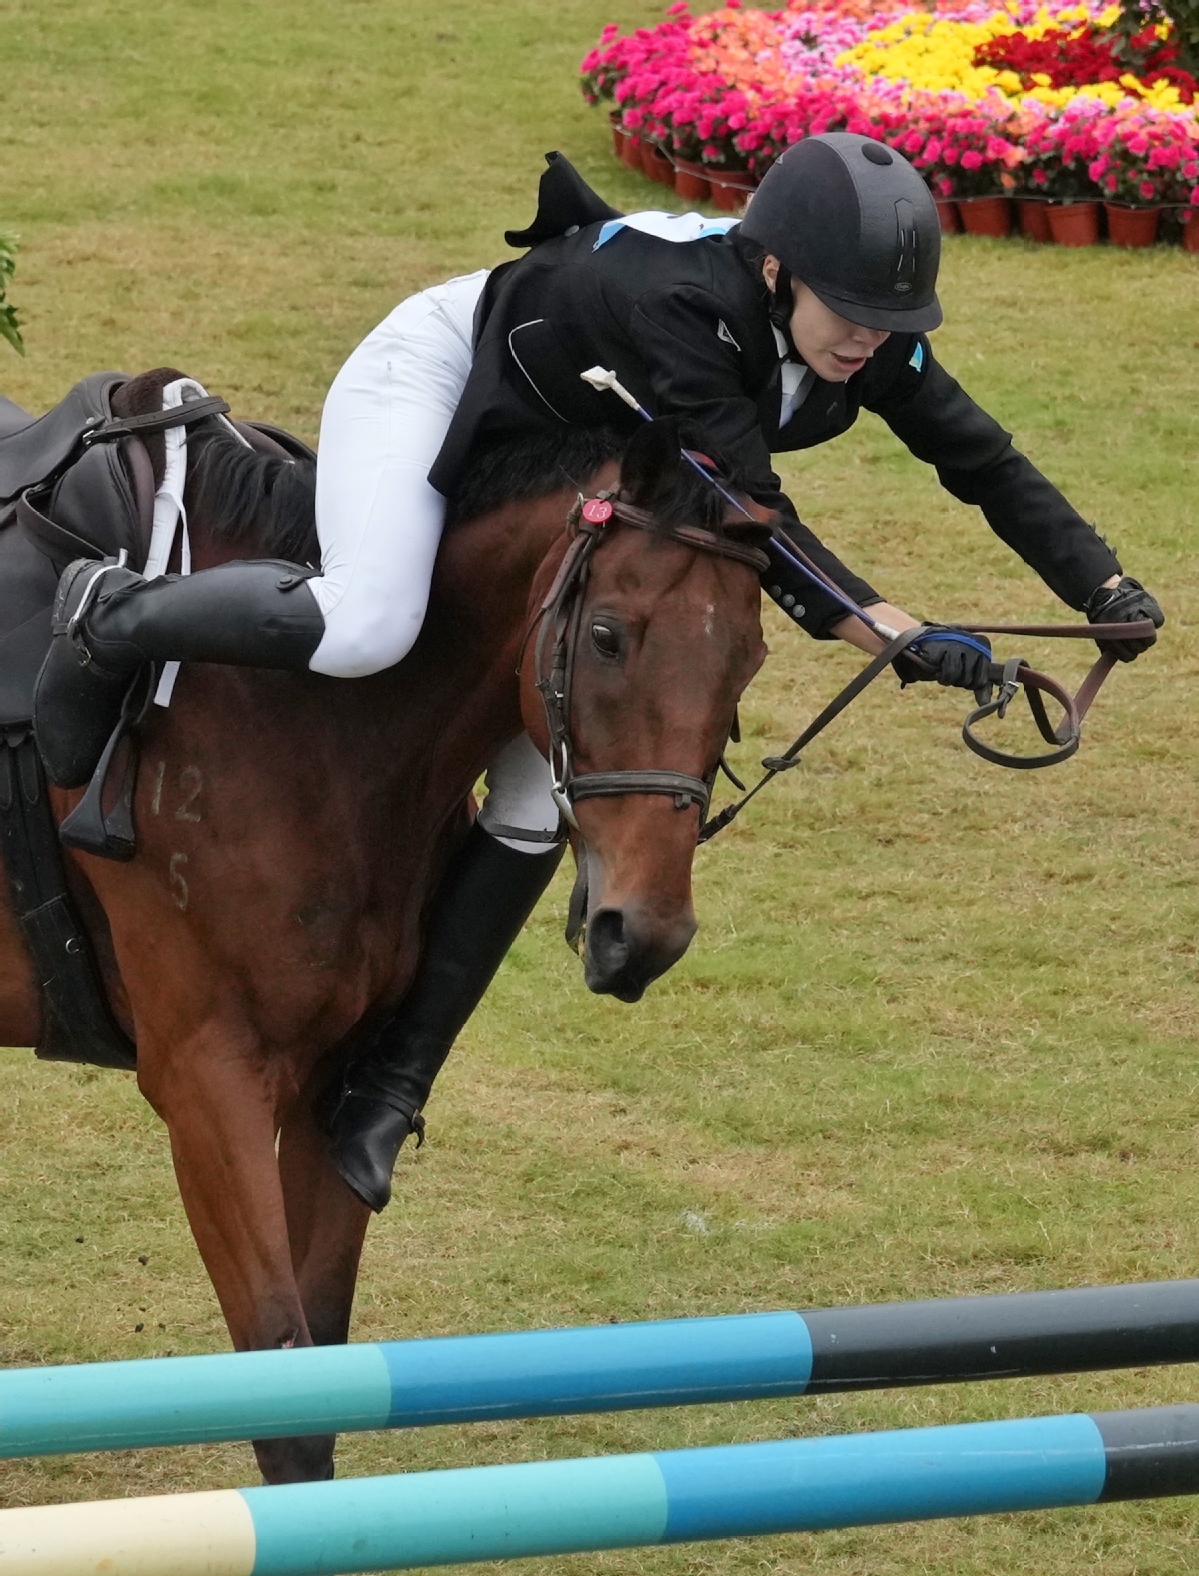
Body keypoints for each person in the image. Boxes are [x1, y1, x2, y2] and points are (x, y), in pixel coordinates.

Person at [33, 133, 1163, 1212]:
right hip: (437, 383)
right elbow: (742, 509)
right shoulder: (687, 311)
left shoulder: (856, 332)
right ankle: (116, 613)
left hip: (574, 447)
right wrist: (884, 631)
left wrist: (1100, 591)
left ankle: (390, 1083)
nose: (869, 343)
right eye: (852, 316)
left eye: (889, 322)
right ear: (774, 272)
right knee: (370, 620)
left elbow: (981, 457)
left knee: (534, 794)